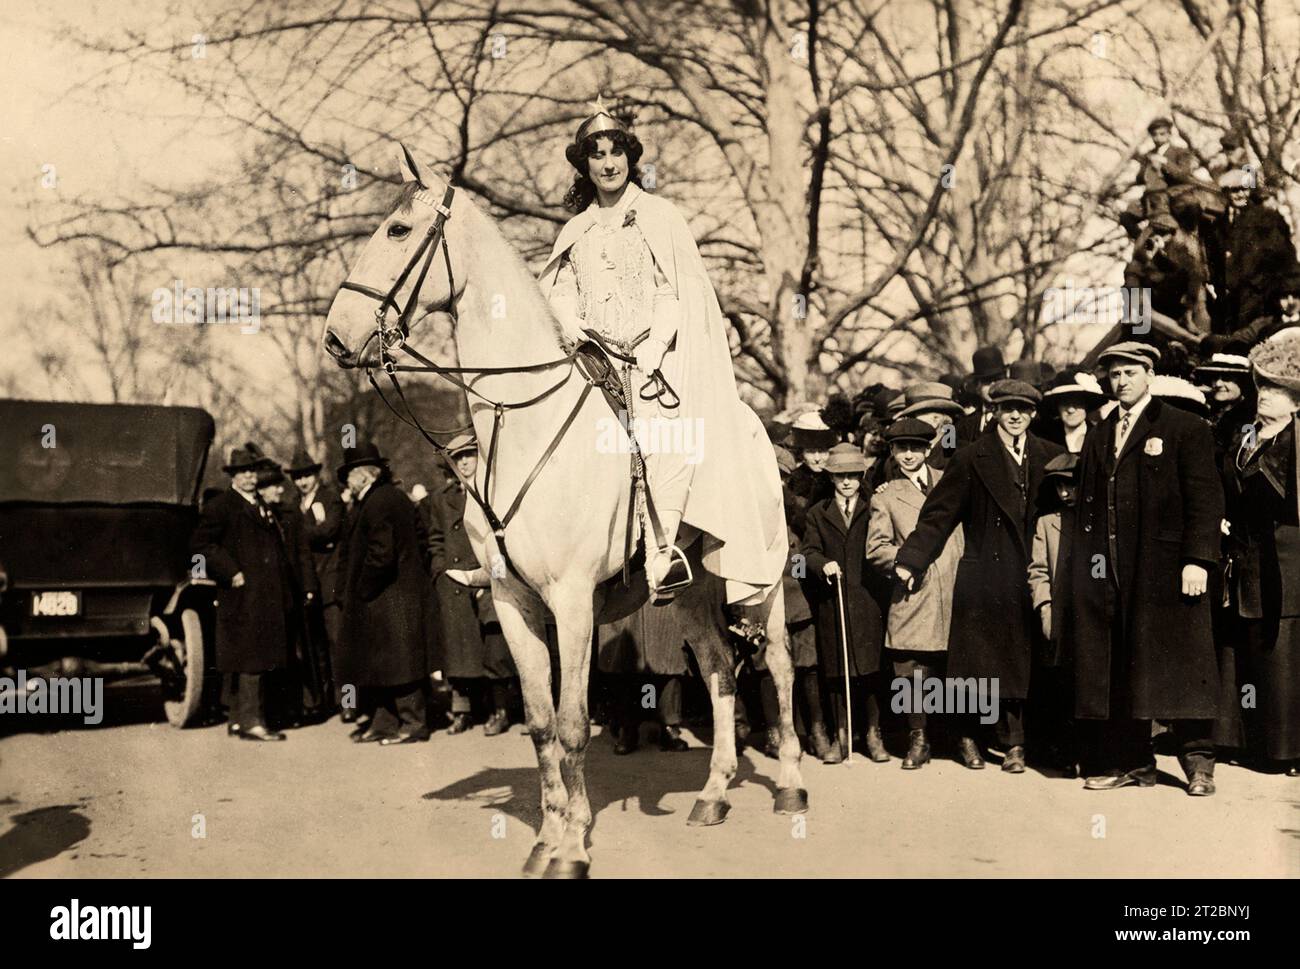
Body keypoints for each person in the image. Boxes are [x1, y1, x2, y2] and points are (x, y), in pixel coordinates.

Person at [539, 98, 786, 605]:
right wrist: (572, 326)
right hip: (589, 359)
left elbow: (676, 289)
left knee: (665, 436)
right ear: (584, 164)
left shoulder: (658, 216)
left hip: (653, 359)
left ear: (630, 158)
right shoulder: (577, 229)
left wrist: (654, 347)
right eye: (597, 155)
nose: (608, 164)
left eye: (616, 153)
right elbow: (558, 288)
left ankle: (662, 552)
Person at [1063, 342, 1224, 795]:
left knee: (1185, 663)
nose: (1123, 382)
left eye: (1131, 373)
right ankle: (1134, 762)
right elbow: (1090, 507)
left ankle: (1198, 764)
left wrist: (1198, 559)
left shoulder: (1183, 428)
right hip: (1113, 571)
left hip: (1168, 570)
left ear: (1149, 374)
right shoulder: (1099, 433)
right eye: (1115, 375)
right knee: (1121, 665)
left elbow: (1205, 499)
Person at [896, 379, 1065, 772]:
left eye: (1023, 409)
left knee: (1028, 659)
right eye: (1008, 409)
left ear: (1034, 414)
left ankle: (1020, 743)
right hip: (986, 574)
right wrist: (911, 559)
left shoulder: (1052, 456)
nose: (1016, 416)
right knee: (988, 662)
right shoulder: (972, 457)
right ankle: (994, 741)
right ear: (996, 412)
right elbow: (940, 514)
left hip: (1034, 573)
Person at [1217, 333, 1300, 776]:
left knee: (1282, 653)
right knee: (1247, 648)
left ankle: (1285, 750)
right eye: (1263, 387)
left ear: (1295, 402)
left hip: (1284, 561)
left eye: (1278, 390)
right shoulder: (1247, 436)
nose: (1265, 396)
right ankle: (1250, 739)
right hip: (1246, 557)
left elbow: (1286, 496)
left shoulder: (1293, 441)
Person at [866, 418, 964, 770]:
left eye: (916, 448)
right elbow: (876, 548)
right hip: (913, 590)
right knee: (911, 669)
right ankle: (918, 737)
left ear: (927, 449)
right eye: (901, 448)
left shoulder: (949, 481)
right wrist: (906, 564)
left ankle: (959, 736)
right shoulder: (887, 495)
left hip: (954, 587)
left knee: (954, 664)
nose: (909, 455)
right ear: (892, 451)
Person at [190, 447, 294, 741]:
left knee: (252, 655)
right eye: (243, 472)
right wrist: (231, 572)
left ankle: (238, 718)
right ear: (233, 476)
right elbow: (202, 544)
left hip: (265, 593)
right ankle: (251, 722)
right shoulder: (222, 506)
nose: (250, 476)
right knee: (251, 658)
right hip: (243, 594)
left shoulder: (260, 502)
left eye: (252, 471)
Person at [335, 442, 435, 745]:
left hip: (387, 594)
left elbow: (382, 553)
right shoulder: (386, 497)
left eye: (351, 473)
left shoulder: (378, 502)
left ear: (366, 475)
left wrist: (362, 588)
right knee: (384, 663)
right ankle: (384, 722)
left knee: (399, 662)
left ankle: (413, 723)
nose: (348, 480)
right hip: (393, 593)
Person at [801, 443, 889, 764]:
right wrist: (821, 563)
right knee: (838, 672)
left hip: (867, 601)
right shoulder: (817, 513)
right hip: (833, 601)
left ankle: (873, 734)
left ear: (861, 475)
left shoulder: (874, 507)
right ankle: (842, 736)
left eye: (853, 475)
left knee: (869, 669)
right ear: (831, 478)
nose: (847, 482)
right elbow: (807, 552)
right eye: (840, 476)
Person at [429, 434, 518, 737]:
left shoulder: (494, 493)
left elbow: (505, 537)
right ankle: (462, 711)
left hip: (490, 577)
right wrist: (440, 569)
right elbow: (435, 539)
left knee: (495, 653)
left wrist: (494, 575)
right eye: (458, 458)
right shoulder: (441, 499)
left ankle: (501, 710)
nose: (464, 462)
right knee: (459, 655)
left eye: (469, 455)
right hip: (454, 582)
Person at [256, 463, 327, 727]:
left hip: (293, 594)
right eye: (274, 486)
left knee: (298, 654)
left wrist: (309, 588)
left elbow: (303, 554)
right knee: (275, 656)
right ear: (261, 491)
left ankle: (299, 709)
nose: (280, 490)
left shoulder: (291, 514)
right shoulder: (258, 516)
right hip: (269, 598)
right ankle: (274, 712)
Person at [1025, 452, 1082, 774]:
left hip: (1088, 614)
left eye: (1071, 486)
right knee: (1059, 685)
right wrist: (1044, 607)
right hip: (1058, 612)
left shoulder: (1096, 521)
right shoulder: (1048, 523)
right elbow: (1038, 570)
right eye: (1059, 487)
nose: (1065, 493)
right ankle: (1062, 753)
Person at [287, 450, 347, 719]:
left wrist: (299, 536)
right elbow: (318, 535)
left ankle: (348, 703)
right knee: (314, 646)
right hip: (307, 584)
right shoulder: (292, 504)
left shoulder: (330, 498)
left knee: (337, 644)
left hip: (330, 582)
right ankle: (322, 702)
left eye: (306, 476)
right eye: (298, 477)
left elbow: (330, 530)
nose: (302, 482)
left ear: (316, 475)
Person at [1208, 169, 1298, 334]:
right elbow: (1214, 259)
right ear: (1226, 193)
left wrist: (1282, 290)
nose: (1241, 194)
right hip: (1228, 300)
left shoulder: (1267, 219)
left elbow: (1285, 257)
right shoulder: (1218, 225)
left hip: (1259, 297)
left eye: (1245, 189)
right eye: (1235, 190)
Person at [1193, 353, 1255, 463]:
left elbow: (1243, 458)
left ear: (1243, 383)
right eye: (1215, 377)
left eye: (1227, 378)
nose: (1218, 383)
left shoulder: (1249, 420)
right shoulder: (1205, 409)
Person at [1041, 371, 1107, 453]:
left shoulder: (1101, 437)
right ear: (1057, 406)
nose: (1070, 410)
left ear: (1086, 405)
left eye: (1076, 403)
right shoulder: (1045, 437)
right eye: (1065, 403)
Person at [955, 346, 1007, 444]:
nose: (993, 385)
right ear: (977, 387)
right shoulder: (964, 424)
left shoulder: (1016, 418)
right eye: (987, 381)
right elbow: (949, 450)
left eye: (998, 379)